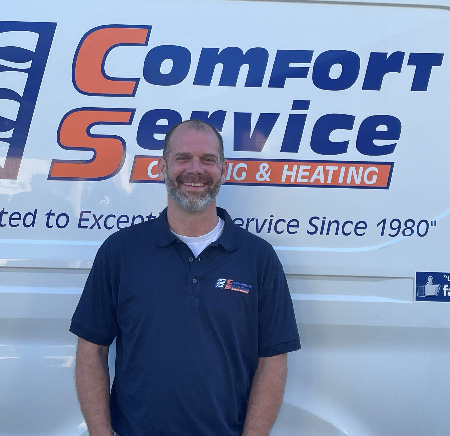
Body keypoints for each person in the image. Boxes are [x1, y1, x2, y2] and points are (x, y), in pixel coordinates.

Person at [70, 120, 300, 436]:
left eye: (208, 159)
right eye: (182, 158)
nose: (196, 169)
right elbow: (90, 349)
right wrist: (100, 432)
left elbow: (272, 360)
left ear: (223, 169)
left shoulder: (258, 258)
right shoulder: (121, 252)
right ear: (162, 167)